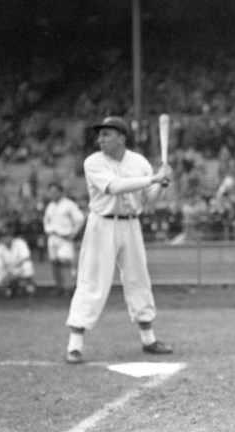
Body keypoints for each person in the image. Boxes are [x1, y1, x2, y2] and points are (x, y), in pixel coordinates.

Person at [65, 116, 174, 364]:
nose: (100, 139)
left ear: (121, 138)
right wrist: (153, 179)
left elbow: (150, 201)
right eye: (100, 135)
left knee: (139, 279)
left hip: (131, 224)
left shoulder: (139, 163)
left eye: (106, 135)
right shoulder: (93, 162)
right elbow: (113, 187)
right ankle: (75, 345)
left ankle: (149, 340)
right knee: (92, 280)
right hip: (101, 224)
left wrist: (162, 185)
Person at [43, 182, 86, 297]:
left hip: (64, 237)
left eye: (55, 192)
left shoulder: (69, 205)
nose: (53, 194)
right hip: (52, 237)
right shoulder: (50, 206)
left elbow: (80, 219)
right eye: (51, 192)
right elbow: (46, 221)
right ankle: (59, 287)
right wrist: (48, 231)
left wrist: (73, 234)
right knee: (54, 262)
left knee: (65, 261)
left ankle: (70, 286)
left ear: (61, 192)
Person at [0, 223, 37, 298]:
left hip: (19, 268)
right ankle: (10, 289)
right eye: (4, 236)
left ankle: (29, 285)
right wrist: (7, 273)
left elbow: (26, 257)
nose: (7, 238)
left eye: (8, 236)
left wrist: (14, 268)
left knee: (28, 265)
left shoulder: (20, 243)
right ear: (1, 238)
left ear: (12, 236)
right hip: (7, 271)